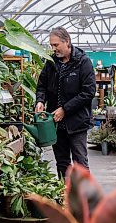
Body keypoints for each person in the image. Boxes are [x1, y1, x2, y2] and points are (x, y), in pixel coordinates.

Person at [35, 27, 96, 178]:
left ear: (67, 42)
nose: (53, 48)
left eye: (56, 45)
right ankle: (66, 195)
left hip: (77, 122)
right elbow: (42, 85)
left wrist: (65, 109)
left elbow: (88, 92)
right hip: (56, 122)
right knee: (62, 162)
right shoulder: (51, 63)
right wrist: (40, 100)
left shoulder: (83, 62)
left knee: (80, 162)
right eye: (51, 45)